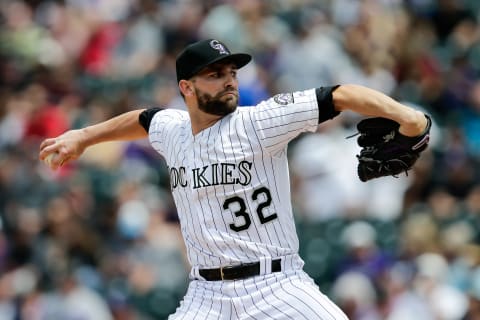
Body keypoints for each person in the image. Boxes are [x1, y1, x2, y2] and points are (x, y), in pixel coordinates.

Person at [39, 39, 429, 319]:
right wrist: (83, 136)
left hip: (276, 286)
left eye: (230, 72)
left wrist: (407, 117)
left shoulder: (258, 122)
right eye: (214, 74)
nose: (229, 80)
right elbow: (143, 118)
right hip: (205, 294)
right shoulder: (172, 128)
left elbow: (338, 95)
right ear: (186, 88)